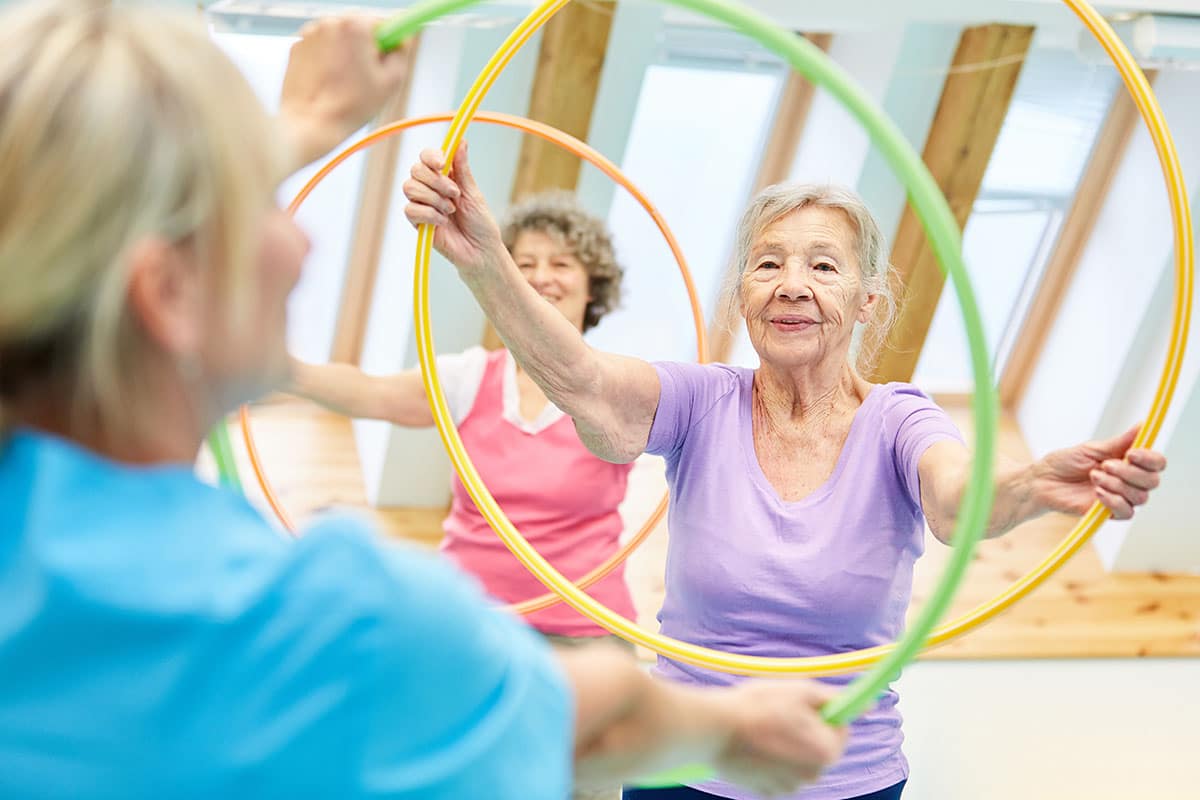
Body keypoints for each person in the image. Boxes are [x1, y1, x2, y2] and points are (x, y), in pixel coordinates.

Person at [0, 2, 849, 798]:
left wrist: (301, 130)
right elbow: (602, 719)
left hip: (580, 628)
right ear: (168, 294)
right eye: (257, 207)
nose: (300, 244)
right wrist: (732, 724)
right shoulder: (338, 623)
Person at [400, 143, 1170, 800]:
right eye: (768, 263)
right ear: (744, 296)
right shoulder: (703, 401)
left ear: (869, 301)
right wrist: (484, 262)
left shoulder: (899, 419)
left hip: (841, 774)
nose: (791, 283)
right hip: (681, 762)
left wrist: (1033, 485)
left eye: (823, 266)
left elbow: (957, 500)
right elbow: (586, 382)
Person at [291, 193, 637, 643]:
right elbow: (369, 393)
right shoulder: (471, 377)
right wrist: (278, 370)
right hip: (471, 618)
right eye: (525, 264)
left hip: (584, 627)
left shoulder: (624, 387)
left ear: (593, 286)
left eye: (562, 264)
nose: (541, 277)